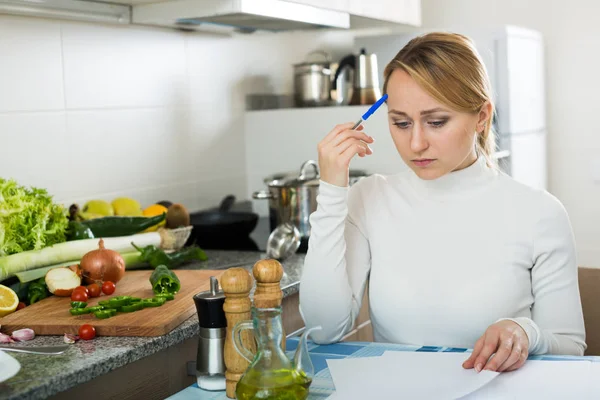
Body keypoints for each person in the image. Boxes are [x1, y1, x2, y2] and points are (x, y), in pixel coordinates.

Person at [298, 32, 586, 373]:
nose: (416, 143)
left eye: (436, 122)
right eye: (400, 122)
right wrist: (331, 190)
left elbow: (570, 348)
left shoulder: (540, 213)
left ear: (481, 117)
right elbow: (323, 330)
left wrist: (526, 332)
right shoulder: (369, 199)